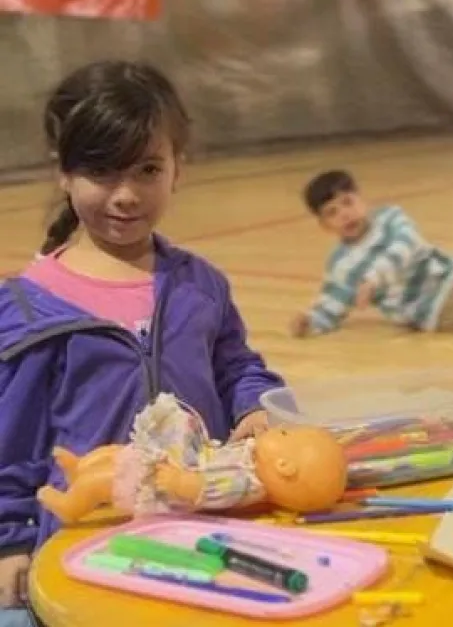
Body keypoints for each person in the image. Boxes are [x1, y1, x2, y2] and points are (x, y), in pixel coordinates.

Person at [0, 61, 284, 627]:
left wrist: (256, 405)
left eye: (148, 169)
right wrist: (9, 540)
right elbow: (11, 445)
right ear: (64, 172)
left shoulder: (200, 285)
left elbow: (237, 368)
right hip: (87, 548)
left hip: (203, 533)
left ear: (179, 167)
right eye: (102, 172)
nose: (126, 195)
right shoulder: (27, 310)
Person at [290, 170, 453, 336]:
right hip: (438, 307)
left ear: (361, 199)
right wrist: (310, 322)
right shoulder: (342, 265)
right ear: (324, 225)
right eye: (332, 212)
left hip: (452, 273)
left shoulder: (390, 217)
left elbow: (407, 245)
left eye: (347, 202)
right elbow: (332, 304)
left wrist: (374, 279)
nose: (344, 214)